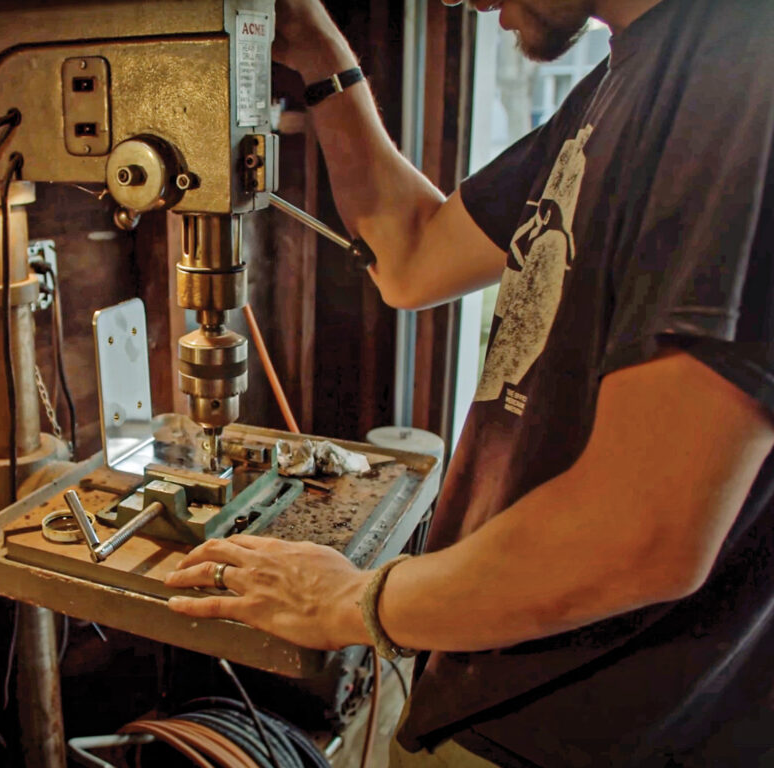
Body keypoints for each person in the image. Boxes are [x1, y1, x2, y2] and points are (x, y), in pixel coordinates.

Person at [167, 0, 774, 765]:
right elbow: (413, 254)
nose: (462, 0)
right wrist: (320, 54)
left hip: (591, 729)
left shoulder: (745, 67)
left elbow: (643, 534)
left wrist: (351, 600)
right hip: (491, 681)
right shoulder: (625, 80)